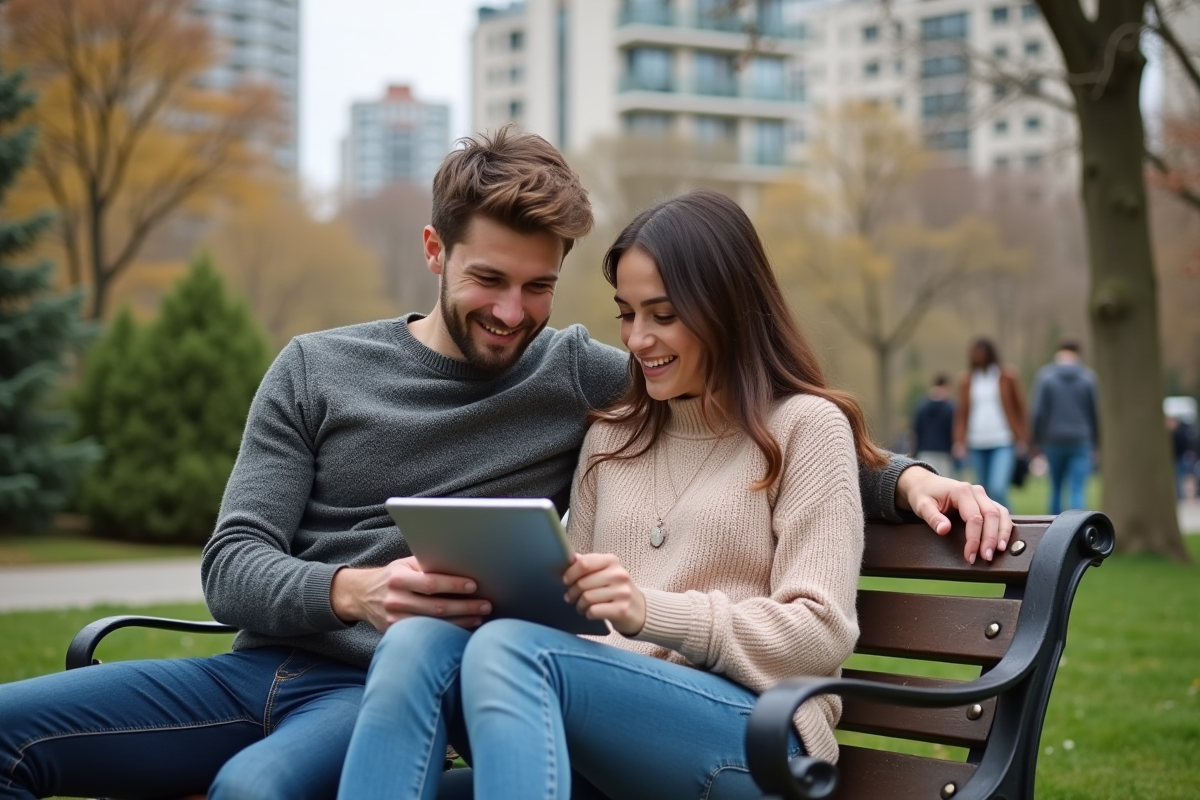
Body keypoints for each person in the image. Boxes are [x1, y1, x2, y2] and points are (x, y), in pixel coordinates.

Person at [0, 129, 1010, 800]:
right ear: (434, 251)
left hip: (493, 692)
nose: (514, 312)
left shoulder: (584, 377)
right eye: (489, 278)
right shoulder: (325, 369)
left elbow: (767, 414)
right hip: (280, 661)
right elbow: (231, 565)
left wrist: (909, 477)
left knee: (267, 779)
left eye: (540, 287)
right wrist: (354, 589)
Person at [338, 189, 883, 799]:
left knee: (512, 651)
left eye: (663, 315)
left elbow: (820, 633)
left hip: (755, 742)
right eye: (627, 314)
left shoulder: (806, 427)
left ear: (728, 308)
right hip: (607, 742)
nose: (637, 339)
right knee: (418, 640)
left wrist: (650, 611)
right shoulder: (612, 438)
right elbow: (576, 631)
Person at [952, 337, 1029, 510]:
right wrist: (959, 441)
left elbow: (1021, 409)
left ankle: (1009, 521)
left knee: (998, 487)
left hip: (1003, 441)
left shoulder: (1007, 376)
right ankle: (990, 524)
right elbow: (961, 414)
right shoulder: (967, 380)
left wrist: (1022, 438)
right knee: (983, 491)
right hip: (976, 443)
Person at [1030, 340, 1099, 514]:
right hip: (1081, 439)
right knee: (1077, 488)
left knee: (1055, 487)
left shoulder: (1045, 377)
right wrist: (1096, 443)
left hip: (1053, 439)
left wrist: (1036, 441)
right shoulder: (1088, 378)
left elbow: (1038, 413)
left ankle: (1055, 527)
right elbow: (1094, 413)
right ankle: (1078, 525)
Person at [912, 374, 955, 478]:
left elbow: (916, 429)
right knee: (944, 481)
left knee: (927, 480)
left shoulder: (921, 406)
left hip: (924, 450)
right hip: (944, 452)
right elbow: (952, 430)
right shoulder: (949, 407)